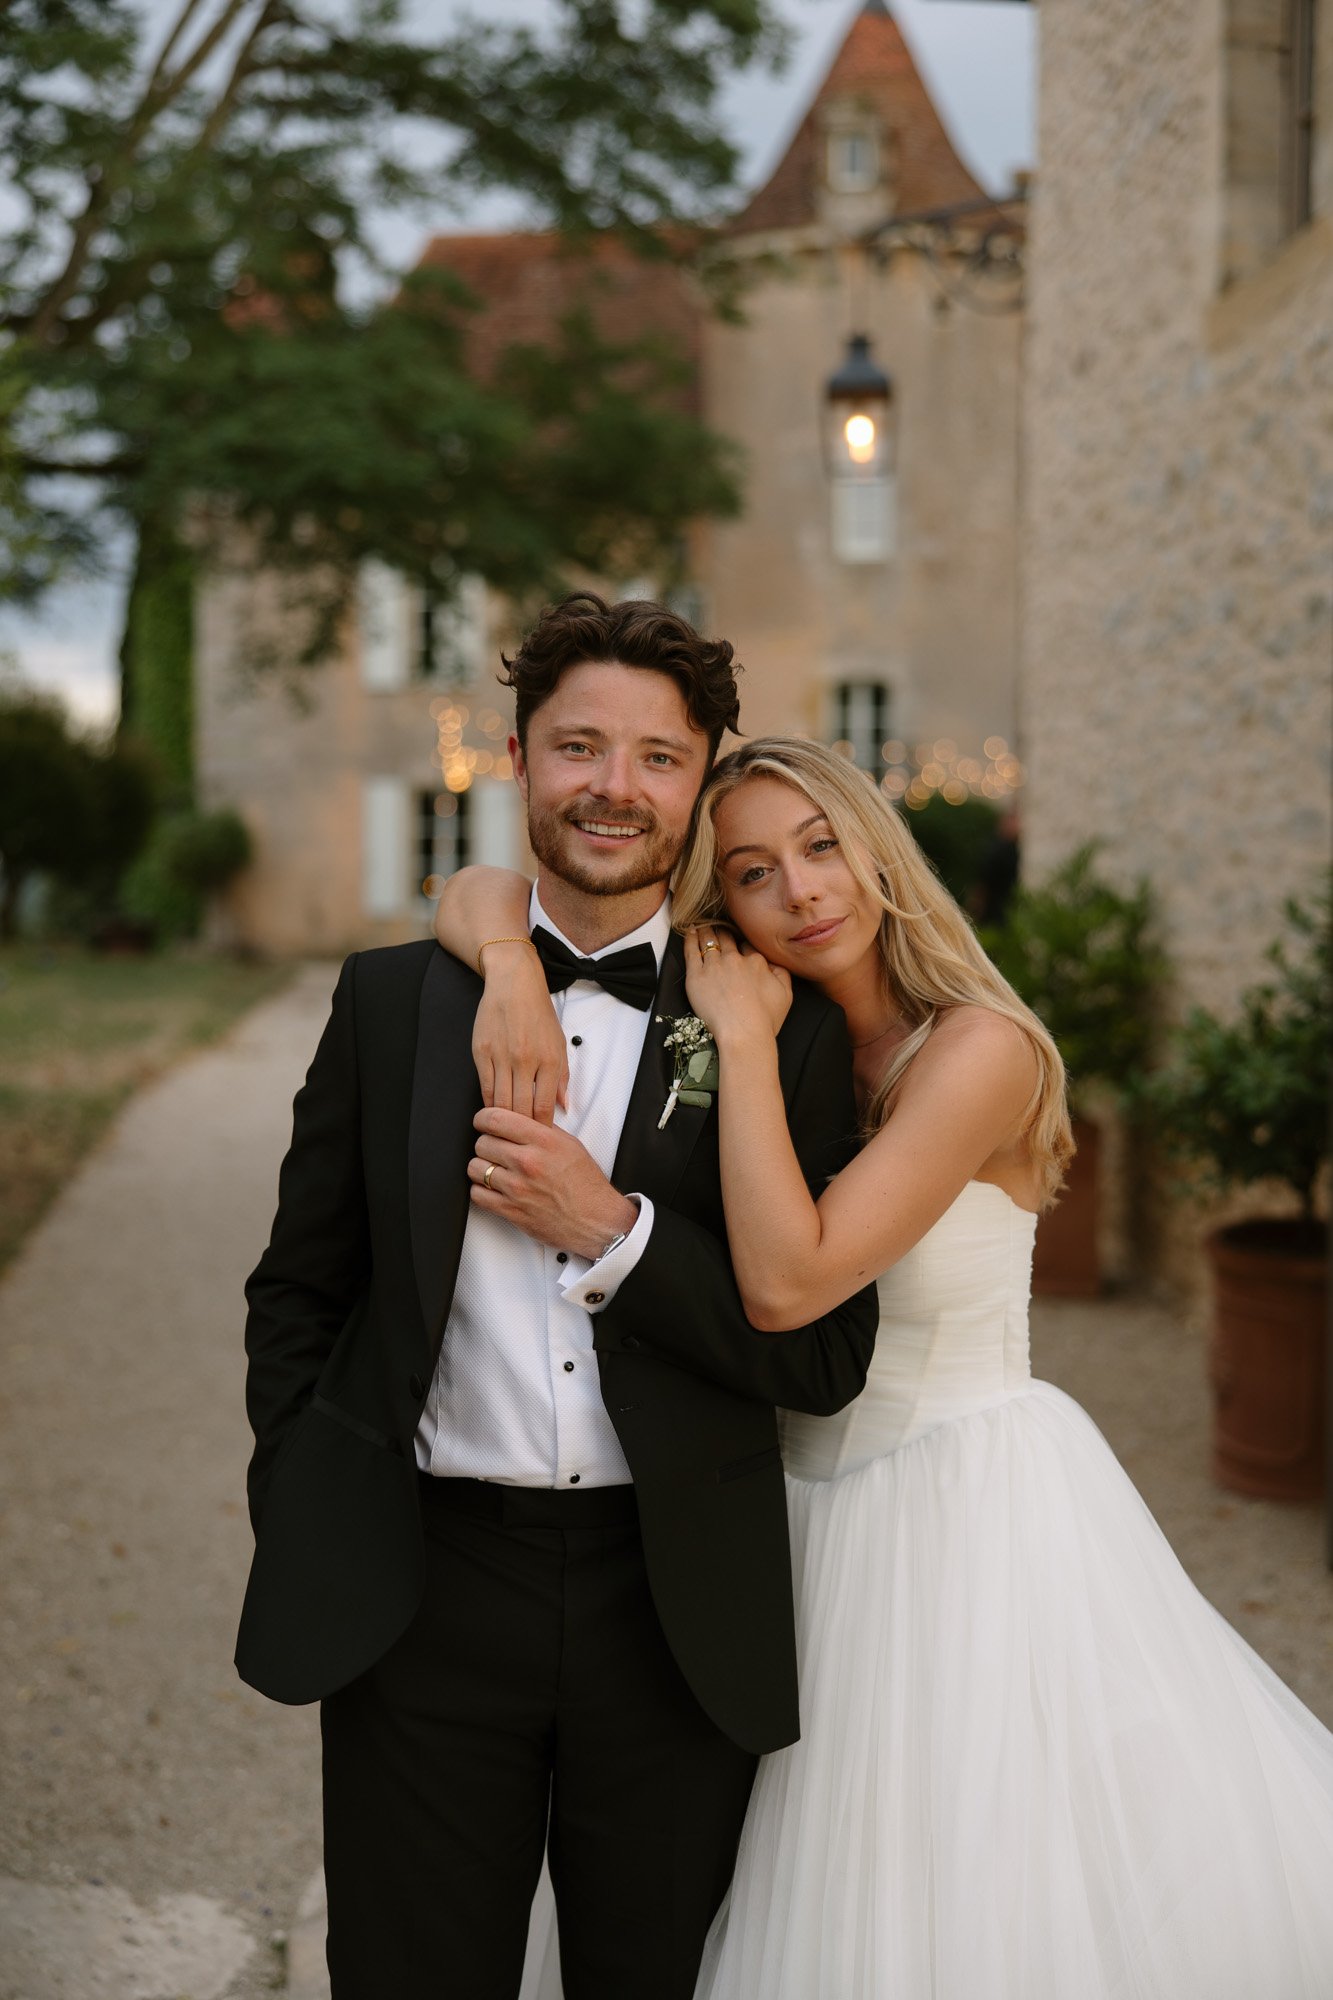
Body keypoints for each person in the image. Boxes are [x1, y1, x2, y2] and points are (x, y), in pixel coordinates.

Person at [438, 735, 1333, 1999]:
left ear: (875, 845)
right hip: (775, 1510)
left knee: (963, 1884)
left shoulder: (977, 1050)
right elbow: (478, 891)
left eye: (820, 846)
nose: (802, 891)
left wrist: (740, 1045)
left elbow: (789, 1282)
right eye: (751, 871)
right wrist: (505, 962)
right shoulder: (782, 1032)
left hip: (957, 1512)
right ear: (719, 907)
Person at [235, 598, 880, 2000]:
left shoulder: (776, 1025)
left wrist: (618, 1232)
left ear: (701, 780)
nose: (613, 785)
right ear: (517, 757)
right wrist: (307, 1490)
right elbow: (297, 1287)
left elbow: (823, 1352)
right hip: (423, 1593)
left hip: (674, 1606)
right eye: (578, 745)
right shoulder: (392, 1003)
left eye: (656, 756)